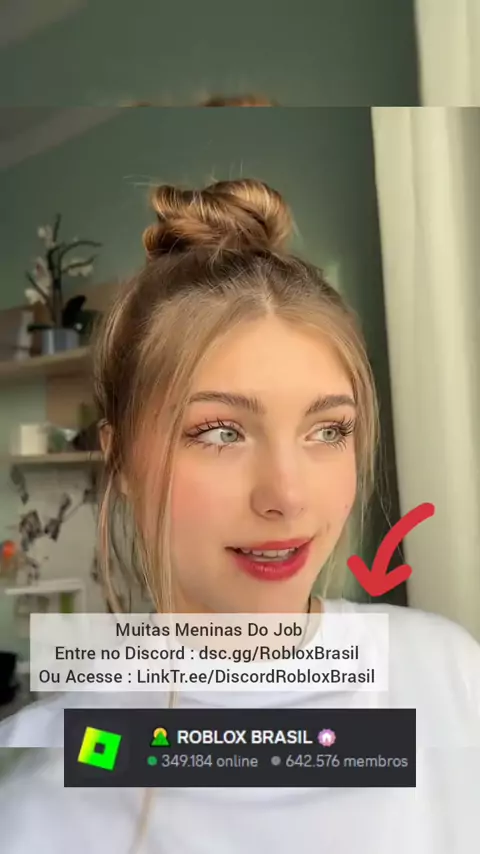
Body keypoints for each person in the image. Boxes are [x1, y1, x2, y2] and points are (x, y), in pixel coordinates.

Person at [0, 179, 479, 853]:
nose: (286, 496)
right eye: (220, 432)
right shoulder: (35, 782)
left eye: (328, 431)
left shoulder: (449, 672)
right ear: (121, 459)